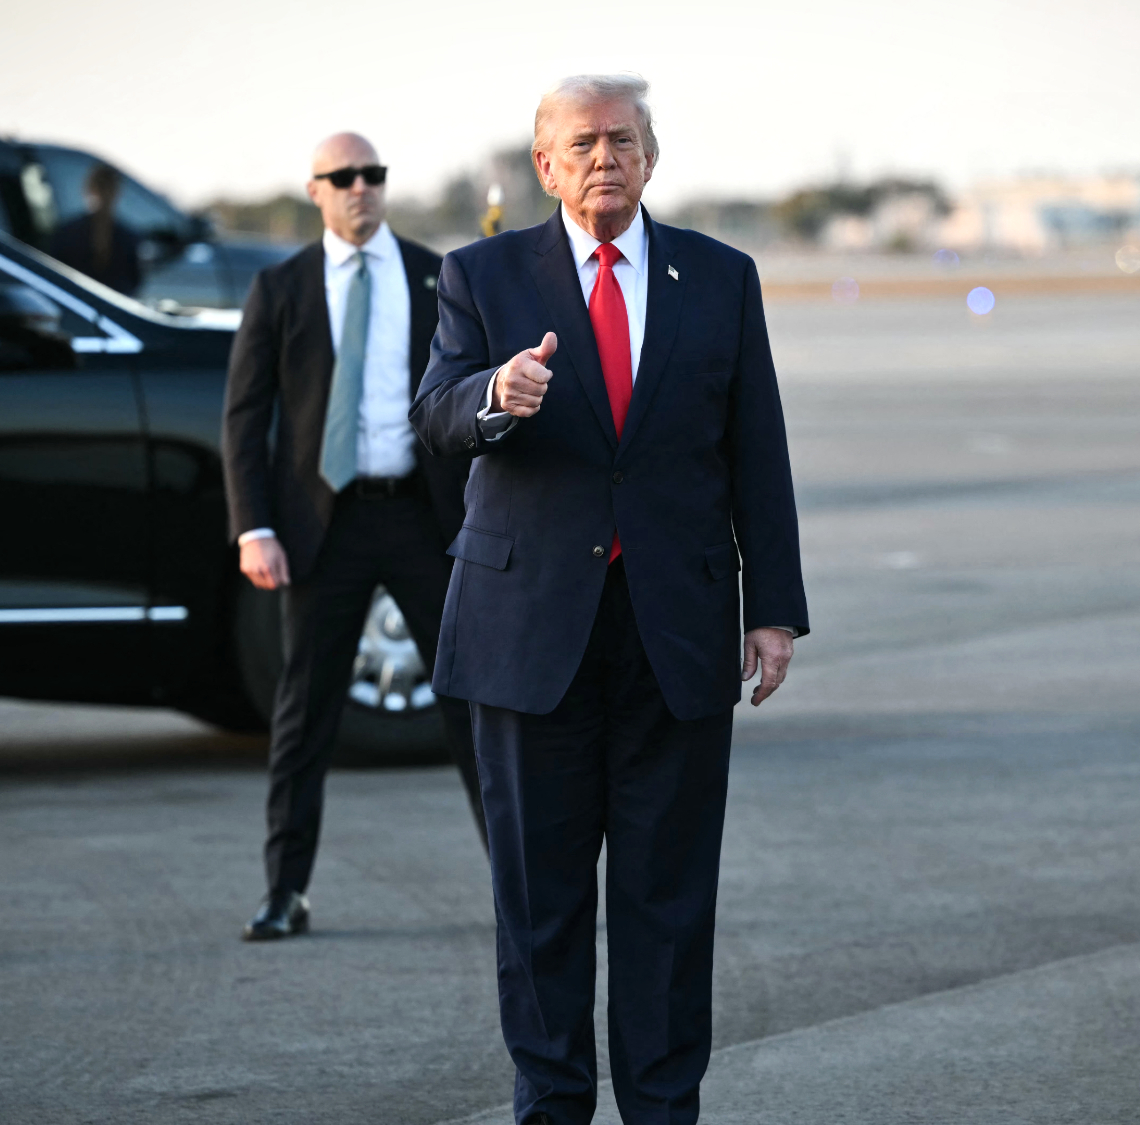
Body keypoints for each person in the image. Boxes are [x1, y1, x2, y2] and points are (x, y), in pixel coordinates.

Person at [411, 75, 809, 1125]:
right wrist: (495, 395)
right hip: (526, 635)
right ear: (543, 165)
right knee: (539, 903)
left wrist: (771, 608)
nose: (604, 158)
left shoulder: (718, 278)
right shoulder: (481, 274)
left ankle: (663, 1105)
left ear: (651, 156)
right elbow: (435, 414)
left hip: (671, 635)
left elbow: (754, 448)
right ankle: (549, 1103)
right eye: (581, 143)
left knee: (666, 903)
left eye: (622, 140)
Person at [222, 132, 486, 942]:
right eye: (344, 177)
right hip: (321, 525)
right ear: (316, 190)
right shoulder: (282, 287)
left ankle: (524, 880)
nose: (361, 188)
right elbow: (245, 415)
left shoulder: (438, 275)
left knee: (472, 702)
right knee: (304, 712)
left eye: (373, 174)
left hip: (420, 516)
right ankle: (284, 889)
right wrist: (253, 526)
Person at [48, 163, 143, 296]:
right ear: (117, 192)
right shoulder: (129, 237)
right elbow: (134, 282)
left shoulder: (67, 233)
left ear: (89, 189)